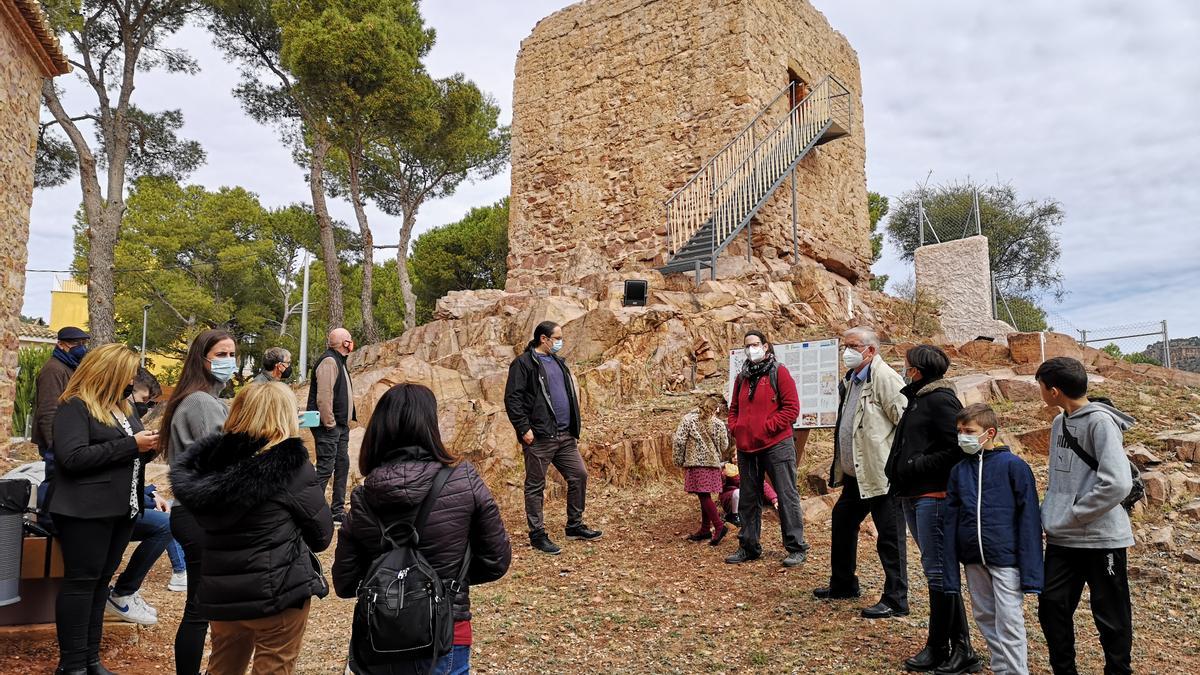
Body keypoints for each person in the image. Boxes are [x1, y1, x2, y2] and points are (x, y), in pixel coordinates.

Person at [333, 383, 512, 674]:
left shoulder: (364, 496)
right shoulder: (464, 479)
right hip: (447, 631)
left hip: (381, 636)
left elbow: (344, 582)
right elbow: (497, 561)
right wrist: (449, 581)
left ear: (379, 429)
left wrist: (392, 580)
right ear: (431, 425)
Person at [170, 382, 333, 675]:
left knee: (223, 666)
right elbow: (321, 535)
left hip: (222, 594)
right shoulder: (291, 467)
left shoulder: (208, 466)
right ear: (284, 415)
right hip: (278, 593)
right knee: (274, 667)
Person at [48, 343, 159, 675]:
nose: (132, 380)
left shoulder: (123, 408)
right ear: (108, 372)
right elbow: (73, 458)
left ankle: (90, 660)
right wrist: (131, 445)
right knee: (81, 584)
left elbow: (131, 454)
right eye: (127, 373)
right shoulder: (75, 406)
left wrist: (149, 446)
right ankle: (72, 665)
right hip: (84, 511)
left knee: (100, 585)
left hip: (119, 510)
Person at [1035, 357, 1135, 675]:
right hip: (1063, 537)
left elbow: (1118, 482)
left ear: (1053, 391)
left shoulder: (1100, 422)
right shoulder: (1058, 422)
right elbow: (1061, 480)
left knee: (1110, 614)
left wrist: (1075, 513)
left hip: (1102, 537)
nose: (1039, 392)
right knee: (1052, 606)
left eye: (1040, 386)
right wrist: (1051, 514)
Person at [884, 344, 980, 673]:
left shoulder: (940, 399)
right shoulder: (919, 397)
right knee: (937, 571)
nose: (903, 367)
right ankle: (956, 646)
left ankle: (944, 646)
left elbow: (957, 447)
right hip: (914, 493)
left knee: (938, 572)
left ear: (919, 369)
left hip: (933, 494)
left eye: (907, 364)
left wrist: (916, 464)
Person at [814, 327, 910, 620]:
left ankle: (896, 599)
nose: (847, 352)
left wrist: (897, 464)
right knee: (842, 521)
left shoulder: (885, 378)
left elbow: (905, 421)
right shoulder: (852, 379)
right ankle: (843, 584)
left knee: (890, 537)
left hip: (881, 474)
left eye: (853, 346)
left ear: (870, 351)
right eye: (845, 346)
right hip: (857, 474)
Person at [943, 403, 1043, 675]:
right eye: (960, 431)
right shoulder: (959, 471)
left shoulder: (1014, 467)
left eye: (969, 430)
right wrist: (950, 567)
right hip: (973, 559)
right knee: (985, 617)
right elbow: (950, 520)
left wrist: (1032, 572)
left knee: (1009, 620)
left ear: (989, 433)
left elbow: (1029, 519)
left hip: (1005, 559)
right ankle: (1001, 669)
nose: (962, 436)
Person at [160, 329, 237, 675]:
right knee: (200, 609)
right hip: (201, 515)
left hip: (192, 512)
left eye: (231, 354)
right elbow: (219, 463)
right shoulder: (202, 403)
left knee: (203, 607)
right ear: (201, 359)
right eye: (220, 355)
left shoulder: (202, 399)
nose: (228, 361)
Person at [504, 320, 601, 555]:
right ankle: (537, 535)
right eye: (557, 338)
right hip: (539, 437)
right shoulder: (524, 363)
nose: (560, 342)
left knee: (579, 475)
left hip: (565, 436)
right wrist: (523, 428)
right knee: (535, 486)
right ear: (543, 339)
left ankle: (574, 525)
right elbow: (512, 398)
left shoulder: (559, 362)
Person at [724, 330, 808, 567]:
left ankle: (796, 547)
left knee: (786, 494)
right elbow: (734, 408)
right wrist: (736, 427)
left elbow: (791, 408)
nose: (752, 349)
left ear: (766, 346)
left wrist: (768, 427)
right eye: (747, 345)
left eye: (755, 344)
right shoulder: (742, 377)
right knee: (749, 498)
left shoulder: (778, 372)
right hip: (746, 448)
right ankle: (748, 546)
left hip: (776, 445)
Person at [32, 325, 91, 527]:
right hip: (56, 440)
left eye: (83, 344)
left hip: (65, 437)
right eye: (76, 344)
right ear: (61, 345)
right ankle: (46, 522)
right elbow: (47, 411)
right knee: (54, 480)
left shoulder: (69, 367)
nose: (81, 348)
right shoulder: (53, 369)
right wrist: (54, 445)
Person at [104, 484, 187, 625]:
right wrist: (147, 501)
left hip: (120, 503)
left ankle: (124, 591)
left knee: (166, 521)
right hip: (101, 508)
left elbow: (130, 474)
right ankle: (122, 594)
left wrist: (149, 493)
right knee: (166, 522)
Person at [306, 328, 357, 523]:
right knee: (326, 468)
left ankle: (337, 511)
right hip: (329, 427)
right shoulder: (329, 361)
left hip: (340, 426)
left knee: (342, 465)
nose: (352, 343)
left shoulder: (339, 360)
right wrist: (330, 424)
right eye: (350, 340)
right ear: (345, 343)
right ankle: (312, 514)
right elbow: (324, 397)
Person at [672, 394, 731, 545]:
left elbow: (679, 440)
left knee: (703, 496)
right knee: (705, 495)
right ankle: (705, 529)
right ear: (715, 409)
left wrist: (679, 460)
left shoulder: (688, 420)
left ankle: (718, 526)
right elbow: (725, 445)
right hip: (713, 463)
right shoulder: (718, 424)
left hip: (696, 464)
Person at [719, 460, 778, 527]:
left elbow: (762, 484)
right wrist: (724, 474)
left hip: (746, 498)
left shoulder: (748, 467)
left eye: (736, 454)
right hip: (731, 498)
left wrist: (774, 499)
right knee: (737, 493)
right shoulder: (727, 468)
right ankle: (734, 516)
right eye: (733, 455)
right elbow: (721, 485)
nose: (736, 458)